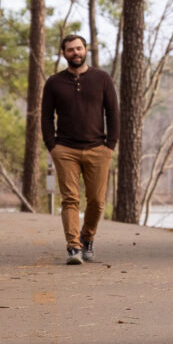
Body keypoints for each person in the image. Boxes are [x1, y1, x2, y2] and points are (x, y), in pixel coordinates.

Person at [41, 34, 119, 265]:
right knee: (70, 199)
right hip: (65, 149)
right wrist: (52, 146)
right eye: (70, 50)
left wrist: (110, 146)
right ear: (64, 54)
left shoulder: (102, 78)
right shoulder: (54, 83)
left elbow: (113, 113)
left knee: (96, 201)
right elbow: (46, 117)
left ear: (85, 50)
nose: (75, 53)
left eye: (78, 48)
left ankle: (87, 239)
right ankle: (73, 247)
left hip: (98, 148)